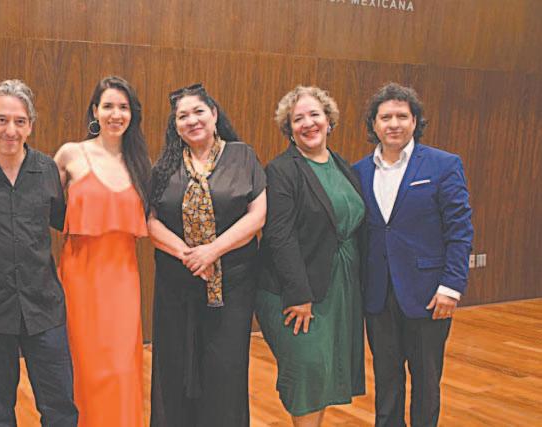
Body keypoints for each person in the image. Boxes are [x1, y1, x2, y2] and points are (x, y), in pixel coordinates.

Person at [0, 80, 78, 427]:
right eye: (2, 120)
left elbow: (64, 222)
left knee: (61, 409)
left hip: (43, 308)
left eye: (19, 121)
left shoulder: (46, 170)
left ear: (30, 125)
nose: (10, 130)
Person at [353, 83, 473, 427]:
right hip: (378, 294)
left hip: (429, 295)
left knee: (426, 381)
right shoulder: (359, 171)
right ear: (373, 124)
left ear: (415, 121)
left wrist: (452, 286)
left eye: (402, 116)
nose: (394, 124)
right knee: (386, 380)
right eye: (385, 117)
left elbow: (460, 229)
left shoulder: (443, 164)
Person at [148, 83, 267, 427]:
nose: (192, 120)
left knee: (225, 369)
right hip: (177, 285)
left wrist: (213, 251)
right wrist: (189, 254)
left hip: (232, 286)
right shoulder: (165, 166)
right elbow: (149, 220)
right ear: (175, 125)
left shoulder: (242, 156)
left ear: (214, 115)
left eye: (199, 111)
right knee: (175, 366)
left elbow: (257, 215)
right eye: (182, 116)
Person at [255, 86, 366, 427]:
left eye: (315, 115)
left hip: (338, 288)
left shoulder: (343, 166)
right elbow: (279, 236)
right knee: (307, 372)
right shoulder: (282, 170)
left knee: (324, 373)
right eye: (298, 119)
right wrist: (299, 295)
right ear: (289, 130)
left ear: (329, 121)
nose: (308, 123)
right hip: (294, 292)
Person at [53, 76, 152, 426]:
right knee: (83, 364)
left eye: (123, 107)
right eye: (108, 106)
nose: (116, 114)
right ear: (95, 110)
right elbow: (41, 205)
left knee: (122, 367)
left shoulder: (140, 164)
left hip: (123, 279)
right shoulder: (70, 154)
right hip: (79, 276)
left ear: (132, 114)